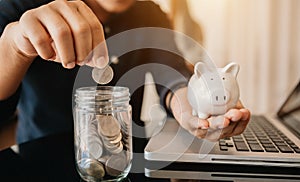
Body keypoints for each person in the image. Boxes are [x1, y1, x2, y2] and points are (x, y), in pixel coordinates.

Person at [0, 0, 250, 149]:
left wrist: (192, 105)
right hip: (39, 161)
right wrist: (14, 47)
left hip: (128, 164)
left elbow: (170, 72)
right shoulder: (22, 6)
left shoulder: (150, 14)